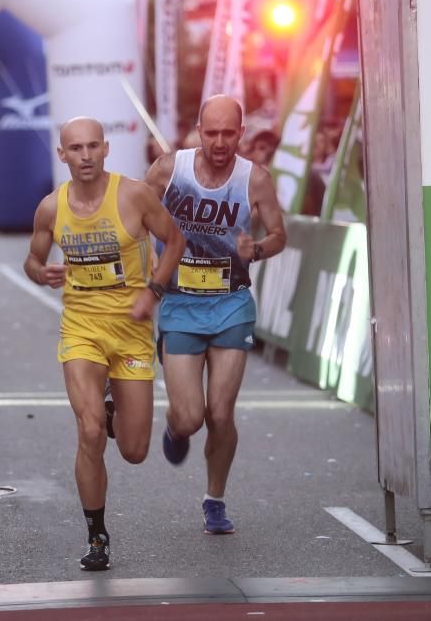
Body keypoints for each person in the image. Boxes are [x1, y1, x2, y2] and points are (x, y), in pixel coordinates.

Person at [24, 117, 184, 571]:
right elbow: (33, 260)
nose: (86, 155)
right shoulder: (51, 208)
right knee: (89, 431)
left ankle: (115, 410)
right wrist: (43, 273)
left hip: (131, 330)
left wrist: (152, 290)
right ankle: (96, 535)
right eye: (76, 148)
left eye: (93, 146)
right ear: (62, 156)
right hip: (81, 329)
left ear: (107, 149)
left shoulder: (133, 195)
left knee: (134, 450)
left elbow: (174, 240)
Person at [143, 95, 287, 535]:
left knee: (220, 414)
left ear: (240, 132)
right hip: (181, 303)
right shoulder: (169, 170)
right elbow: (134, 217)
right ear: (198, 131)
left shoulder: (254, 180)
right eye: (212, 133)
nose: (220, 142)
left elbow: (280, 234)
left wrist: (257, 248)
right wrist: (152, 262)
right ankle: (174, 428)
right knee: (190, 417)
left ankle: (214, 499)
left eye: (229, 133)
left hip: (230, 304)